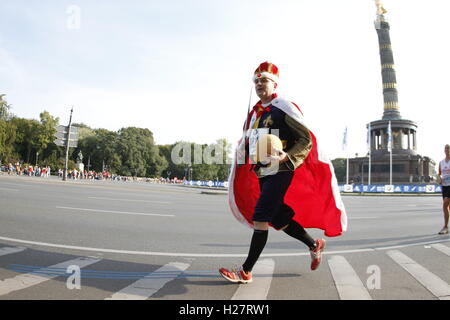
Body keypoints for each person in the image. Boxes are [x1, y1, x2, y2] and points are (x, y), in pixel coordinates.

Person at [220, 62, 347, 284]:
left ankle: (245, 271)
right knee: (279, 217)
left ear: (274, 83)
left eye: (264, 80)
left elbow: (305, 139)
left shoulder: (283, 107)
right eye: (256, 81)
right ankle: (313, 244)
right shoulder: (255, 114)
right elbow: (249, 143)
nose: (259, 84)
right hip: (262, 171)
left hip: (281, 169)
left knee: (261, 215)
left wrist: (286, 157)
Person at [438, 144, 450, 235]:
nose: (447, 150)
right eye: (445, 148)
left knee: (445, 205)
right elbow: (439, 174)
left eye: (448, 148)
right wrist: (440, 179)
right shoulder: (441, 162)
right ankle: (446, 227)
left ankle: (445, 227)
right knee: (447, 207)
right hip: (444, 186)